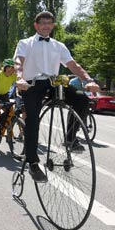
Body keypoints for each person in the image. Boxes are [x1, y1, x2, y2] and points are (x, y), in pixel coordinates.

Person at [14, 11, 99, 183]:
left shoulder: (58, 46)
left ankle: (70, 139)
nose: (46, 26)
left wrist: (88, 80)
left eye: (49, 23)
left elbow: (73, 65)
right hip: (31, 84)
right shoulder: (25, 43)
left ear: (53, 26)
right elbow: (18, 62)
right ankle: (32, 163)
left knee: (82, 99)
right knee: (32, 121)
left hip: (53, 83)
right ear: (36, 25)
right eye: (42, 23)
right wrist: (19, 77)